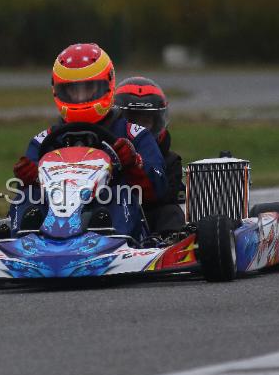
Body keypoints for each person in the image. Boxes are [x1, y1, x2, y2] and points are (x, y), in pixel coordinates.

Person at [9, 43, 167, 241]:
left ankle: (111, 237)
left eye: (88, 89)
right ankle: (22, 241)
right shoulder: (44, 140)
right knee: (28, 195)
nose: (81, 97)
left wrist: (134, 163)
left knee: (119, 193)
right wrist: (32, 179)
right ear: (57, 91)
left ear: (107, 85)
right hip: (55, 215)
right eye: (72, 91)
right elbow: (30, 182)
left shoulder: (133, 134)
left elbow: (159, 188)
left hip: (114, 219)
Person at [113, 77, 185, 235]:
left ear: (158, 122)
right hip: (112, 211)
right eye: (131, 122)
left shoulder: (170, 161)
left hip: (148, 219)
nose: (138, 129)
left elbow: (164, 197)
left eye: (145, 122)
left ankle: (168, 250)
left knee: (171, 213)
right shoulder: (105, 154)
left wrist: (137, 167)